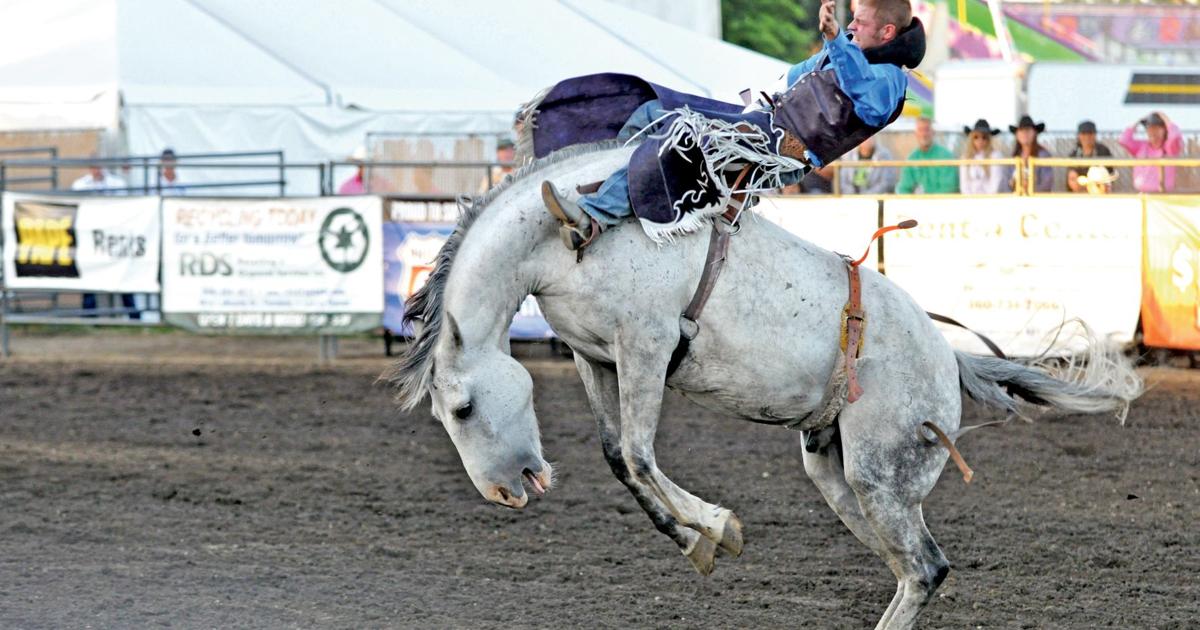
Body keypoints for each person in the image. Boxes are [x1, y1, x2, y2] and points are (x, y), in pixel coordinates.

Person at [542, 0, 921, 250]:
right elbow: (796, 77)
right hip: (761, 123)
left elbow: (865, 103)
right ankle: (616, 181)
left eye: (861, 20)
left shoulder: (891, 80)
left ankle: (592, 219)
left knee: (680, 138)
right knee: (651, 112)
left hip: (784, 150)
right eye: (851, 17)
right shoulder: (848, 52)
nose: (851, 24)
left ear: (887, 33)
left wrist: (838, 42)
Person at [1119, 111, 1182, 193]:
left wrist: (1166, 119)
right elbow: (1123, 140)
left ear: (1164, 130)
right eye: (1149, 128)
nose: (1152, 132)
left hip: (1162, 195)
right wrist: (1138, 122)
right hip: (1142, 194)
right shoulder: (1141, 146)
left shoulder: (1169, 148)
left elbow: (1175, 136)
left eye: (1156, 128)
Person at [895, 116, 958, 194]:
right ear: (916, 134)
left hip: (941, 204)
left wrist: (927, 201)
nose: (924, 134)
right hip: (916, 204)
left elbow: (949, 187)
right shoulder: (911, 158)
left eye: (927, 129)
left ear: (933, 132)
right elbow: (903, 187)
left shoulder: (945, 156)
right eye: (920, 130)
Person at [1005, 115, 1053, 193]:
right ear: (1017, 135)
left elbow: (1047, 183)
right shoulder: (1014, 157)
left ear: (1035, 133)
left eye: (1028, 130)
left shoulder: (1043, 155)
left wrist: (1029, 188)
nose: (1024, 133)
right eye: (1021, 130)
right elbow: (1007, 182)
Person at [1066, 121, 1114, 193]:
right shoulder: (1075, 153)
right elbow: (1072, 174)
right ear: (1079, 136)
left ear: (1095, 135)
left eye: (1090, 133)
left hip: (1098, 187)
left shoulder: (1103, 151)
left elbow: (1109, 173)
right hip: (1081, 187)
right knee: (1072, 175)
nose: (1087, 137)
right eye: (1084, 134)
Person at [958, 119, 1004, 194]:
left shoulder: (995, 155)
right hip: (970, 201)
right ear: (972, 139)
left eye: (984, 137)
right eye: (976, 137)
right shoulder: (965, 157)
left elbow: (996, 182)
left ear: (988, 139)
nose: (980, 140)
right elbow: (964, 184)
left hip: (990, 201)